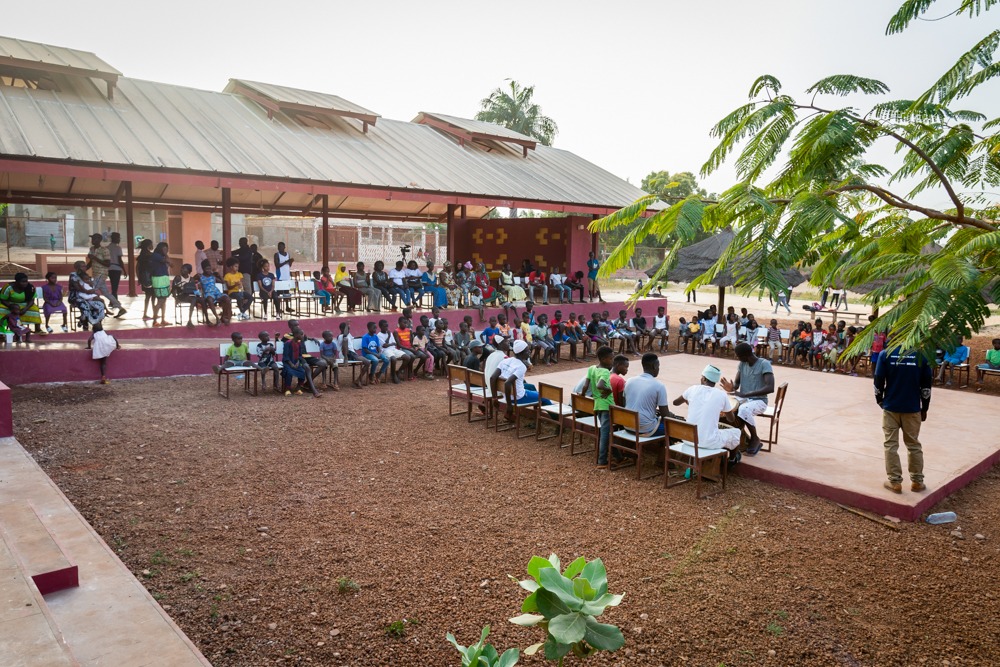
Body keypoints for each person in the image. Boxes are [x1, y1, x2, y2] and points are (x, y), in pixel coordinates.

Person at [875, 345, 932, 493]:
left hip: (891, 406)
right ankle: (917, 482)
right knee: (913, 444)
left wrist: (879, 399)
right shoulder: (922, 354)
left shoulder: (885, 354)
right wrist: (924, 408)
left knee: (890, 445)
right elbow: (926, 385)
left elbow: (878, 379)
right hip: (912, 408)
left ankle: (895, 482)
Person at [673, 364, 743, 459]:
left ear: (704, 379)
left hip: (688, 439)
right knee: (736, 432)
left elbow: (675, 402)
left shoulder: (692, 389)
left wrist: (688, 401)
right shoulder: (721, 395)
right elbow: (731, 419)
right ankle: (732, 460)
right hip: (708, 442)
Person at [720, 342, 775, 456]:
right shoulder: (742, 364)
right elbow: (736, 384)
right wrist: (732, 387)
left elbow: (770, 387)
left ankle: (755, 439)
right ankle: (739, 438)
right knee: (724, 406)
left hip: (759, 401)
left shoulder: (764, 364)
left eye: (739, 356)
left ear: (746, 355)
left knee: (744, 410)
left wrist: (747, 394)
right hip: (744, 399)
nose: (738, 358)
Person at [581, 346, 615, 467]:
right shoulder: (605, 372)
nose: (613, 361)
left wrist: (583, 395)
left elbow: (585, 386)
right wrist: (609, 390)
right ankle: (602, 460)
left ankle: (617, 456)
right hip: (606, 405)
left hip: (597, 404)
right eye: (611, 359)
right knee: (605, 433)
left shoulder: (591, 368)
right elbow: (600, 385)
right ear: (603, 359)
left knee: (606, 430)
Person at [623, 353, 671, 439]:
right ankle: (662, 451)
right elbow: (665, 415)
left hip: (627, 425)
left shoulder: (629, 381)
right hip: (644, 429)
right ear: (655, 366)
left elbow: (625, 403)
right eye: (658, 366)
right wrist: (672, 416)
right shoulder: (659, 385)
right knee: (672, 428)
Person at [86, 233, 128, 317]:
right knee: (106, 293)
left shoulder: (104, 250)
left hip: (101, 274)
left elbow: (107, 264)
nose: (92, 240)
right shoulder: (92, 249)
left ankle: (88, 312)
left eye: (94, 239)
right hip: (95, 273)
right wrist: (84, 269)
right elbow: (91, 262)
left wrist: (95, 258)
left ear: (99, 240)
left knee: (91, 291)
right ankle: (121, 308)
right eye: (92, 239)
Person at [282, 329, 321, 397]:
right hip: (288, 362)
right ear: (296, 335)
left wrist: (297, 362)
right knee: (289, 372)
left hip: (296, 362)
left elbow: (300, 355)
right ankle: (287, 389)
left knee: (302, 371)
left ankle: (298, 388)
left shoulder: (299, 343)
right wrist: (291, 364)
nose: (303, 336)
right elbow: (285, 356)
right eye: (301, 334)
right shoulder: (287, 343)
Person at [68, 262, 106, 330]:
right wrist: (88, 291)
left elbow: (92, 287)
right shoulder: (73, 275)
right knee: (85, 306)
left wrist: (92, 287)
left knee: (99, 306)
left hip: (88, 296)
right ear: (77, 268)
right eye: (82, 266)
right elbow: (78, 287)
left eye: (85, 266)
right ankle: (84, 323)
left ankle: (97, 325)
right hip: (76, 297)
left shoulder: (87, 276)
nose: (85, 268)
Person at [198, 260, 232, 325]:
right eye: (206, 269)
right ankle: (217, 318)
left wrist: (218, 274)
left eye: (209, 268)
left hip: (216, 292)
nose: (208, 270)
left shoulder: (213, 276)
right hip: (208, 293)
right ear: (203, 269)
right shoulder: (200, 276)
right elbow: (192, 281)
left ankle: (224, 317)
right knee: (209, 299)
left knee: (227, 298)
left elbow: (222, 282)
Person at [171, 263, 202, 327]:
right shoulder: (178, 277)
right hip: (181, 296)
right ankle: (189, 321)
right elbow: (173, 289)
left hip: (190, 296)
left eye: (184, 269)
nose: (181, 270)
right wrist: (175, 298)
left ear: (188, 271)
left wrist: (198, 294)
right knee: (193, 300)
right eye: (181, 268)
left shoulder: (191, 279)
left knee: (202, 300)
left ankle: (206, 319)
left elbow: (194, 289)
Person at [107, 232, 125, 300]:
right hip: (116, 268)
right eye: (118, 238)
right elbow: (120, 260)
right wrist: (124, 270)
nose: (119, 240)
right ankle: (113, 300)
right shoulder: (118, 248)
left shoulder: (107, 247)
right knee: (115, 286)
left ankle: (113, 300)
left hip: (109, 268)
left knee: (112, 284)